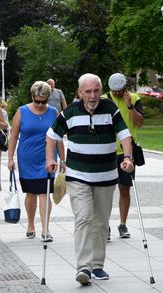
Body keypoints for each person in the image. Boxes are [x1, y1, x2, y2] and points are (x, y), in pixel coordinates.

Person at [45, 73, 134, 286]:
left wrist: (129, 158)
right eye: (88, 92)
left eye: (96, 91)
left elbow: (125, 135)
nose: (93, 96)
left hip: (106, 176)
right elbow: (51, 136)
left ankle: (97, 265)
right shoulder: (70, 112)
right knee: (84, 217)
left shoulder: (110, 109)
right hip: (78, 176)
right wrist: (50, 159)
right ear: (80, 93)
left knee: (101, 222)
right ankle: (83, 266)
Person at [8, 81, 65, 241]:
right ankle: (31, 224)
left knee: (44, 193)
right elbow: (13, 136)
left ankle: (45, 229)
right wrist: (10, 158)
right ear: (32, 96)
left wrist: (63, 159)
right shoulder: (22, 112)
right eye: (37, 101)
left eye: (44, 101)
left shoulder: (54, 112)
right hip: (27, 158)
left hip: (47, 159)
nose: (40, 104)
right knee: (31, 193)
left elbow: (59, 138)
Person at [103, 73, 144, 239]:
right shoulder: (104, 99)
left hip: (127, 152)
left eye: (120, 91)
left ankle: (123, 224)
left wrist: (129, 106)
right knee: (105, 191)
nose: (118, 94)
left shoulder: (134, 98)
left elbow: (139, 123)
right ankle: (105, 226)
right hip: (107, 151)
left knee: (125, 189)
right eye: (115, 91)